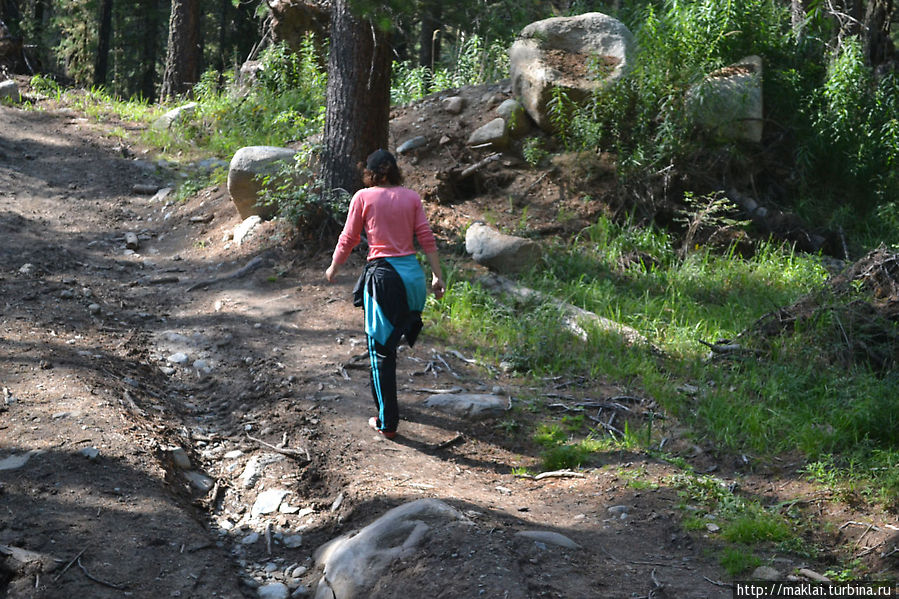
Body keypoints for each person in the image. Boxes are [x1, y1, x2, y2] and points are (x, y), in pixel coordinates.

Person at [325, 149, 445, 439]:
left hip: (384, 281)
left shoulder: (363, 198)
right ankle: (385, 407)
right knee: (390, 345)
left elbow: (349, 238)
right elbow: (426, 237)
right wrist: (438, 274)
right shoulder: (412, 197)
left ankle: (387, 422)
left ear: (369, 173)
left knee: (380, 352)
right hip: (413, 281)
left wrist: (333, 267)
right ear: (395, 171)